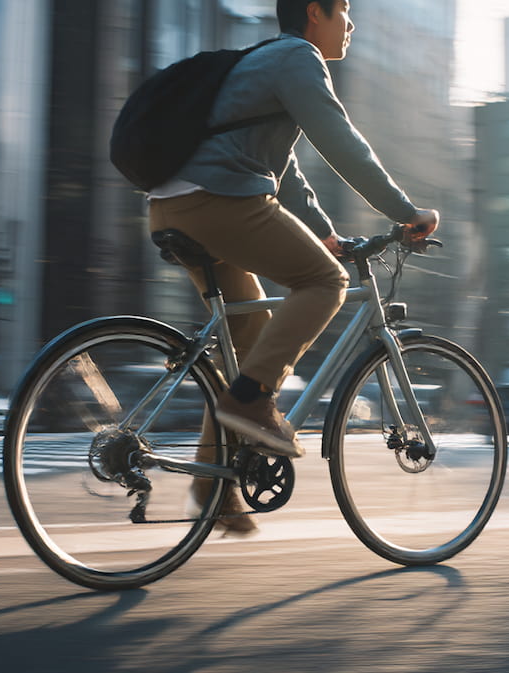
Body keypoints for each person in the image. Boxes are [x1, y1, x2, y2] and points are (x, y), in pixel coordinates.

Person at [147, 0, 439, 534]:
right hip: (216, 201)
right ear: (314, 12)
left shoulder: (266, 61)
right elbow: (342, 144)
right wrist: (406, 212)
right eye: (343, 9)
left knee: (253, 336)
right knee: (326, 282)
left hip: (173, 205)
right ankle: (251, 404)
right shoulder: (299, 57)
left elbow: (284, 171)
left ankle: (214, 490)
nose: (350, 23)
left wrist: (324, 233)